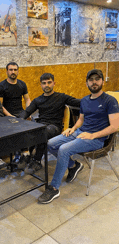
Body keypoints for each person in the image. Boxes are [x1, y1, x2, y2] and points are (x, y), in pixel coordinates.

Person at [38, 69, 119, 204]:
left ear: (102, 82)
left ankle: (54, 188)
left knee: (64, 149)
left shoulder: (110, 101)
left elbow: (114, 126)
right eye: (91, 80)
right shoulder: (85, 100)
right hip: (79, 132)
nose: (94, 82)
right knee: (51, 143)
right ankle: (73, 165)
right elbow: (81, 119)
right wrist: (72, 128)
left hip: (96, 139)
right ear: (87, 82)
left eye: (97, 79)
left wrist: (93, 135)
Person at [19, 72, 81, 173]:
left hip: (55, 127)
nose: (46, 85)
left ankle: (36, 160)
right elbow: (27, 112)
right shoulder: (38, 100)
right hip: (42, 125)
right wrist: (19, 120)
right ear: (41, 85)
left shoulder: (61, 97)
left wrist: (93, 100)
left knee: (43, 131)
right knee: (27, 129)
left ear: (54, 83)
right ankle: (26, 156)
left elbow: (78, 102)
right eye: (44, 83)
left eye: (49, 82)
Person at [0, 62, 31, 163]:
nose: (13, 72)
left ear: (18, 71)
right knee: (17, 127)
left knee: (31, 125)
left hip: (21, 113)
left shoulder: (22, 84)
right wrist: (10, 116)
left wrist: (27, 112)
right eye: (11, 70)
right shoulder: (1, 86)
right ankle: (20, 153)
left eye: (15, 70)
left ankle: (25, 154)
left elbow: (27, 100)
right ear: (7, 71)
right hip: (7, 115)